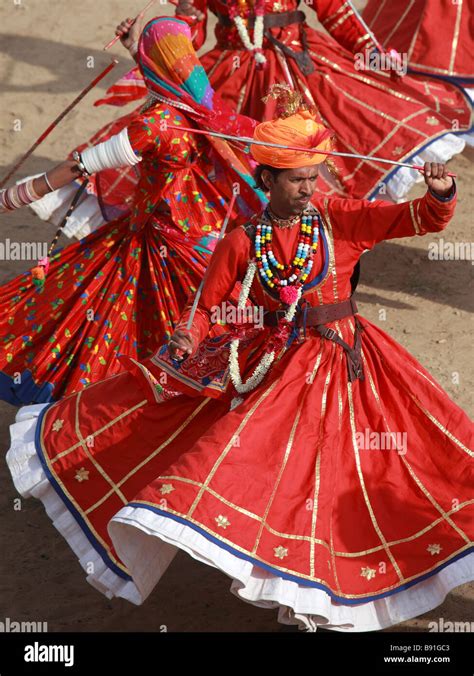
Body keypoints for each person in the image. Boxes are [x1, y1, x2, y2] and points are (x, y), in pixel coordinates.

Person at [7, 87, 472, 632]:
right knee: (285, 475)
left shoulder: (338, 218)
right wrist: (186, 336)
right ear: (267, 181)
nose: (308, 188)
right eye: (296, 179)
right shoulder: (241, 241)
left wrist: (439, 194)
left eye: (314, 177)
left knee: (389, 463)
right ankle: (299, 584)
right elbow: (205, 306)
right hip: (279, 364)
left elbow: (411, 218)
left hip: (351, 359)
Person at [0, 17, 265, 405]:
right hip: (192, 235)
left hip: (152, 238)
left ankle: (99, 406)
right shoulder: (200, 109)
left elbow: (82, 165)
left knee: (104, 318)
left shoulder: (154, 124)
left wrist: (14, 197)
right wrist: (134, 46)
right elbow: (164, 75)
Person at [89, 0, 472, 203]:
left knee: (331, 148)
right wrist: (150, 37)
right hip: (234, 70)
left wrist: (374, 56)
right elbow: (191, 34)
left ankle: (322, 244)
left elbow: (337, 12)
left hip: (301, 62)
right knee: (231, 161)